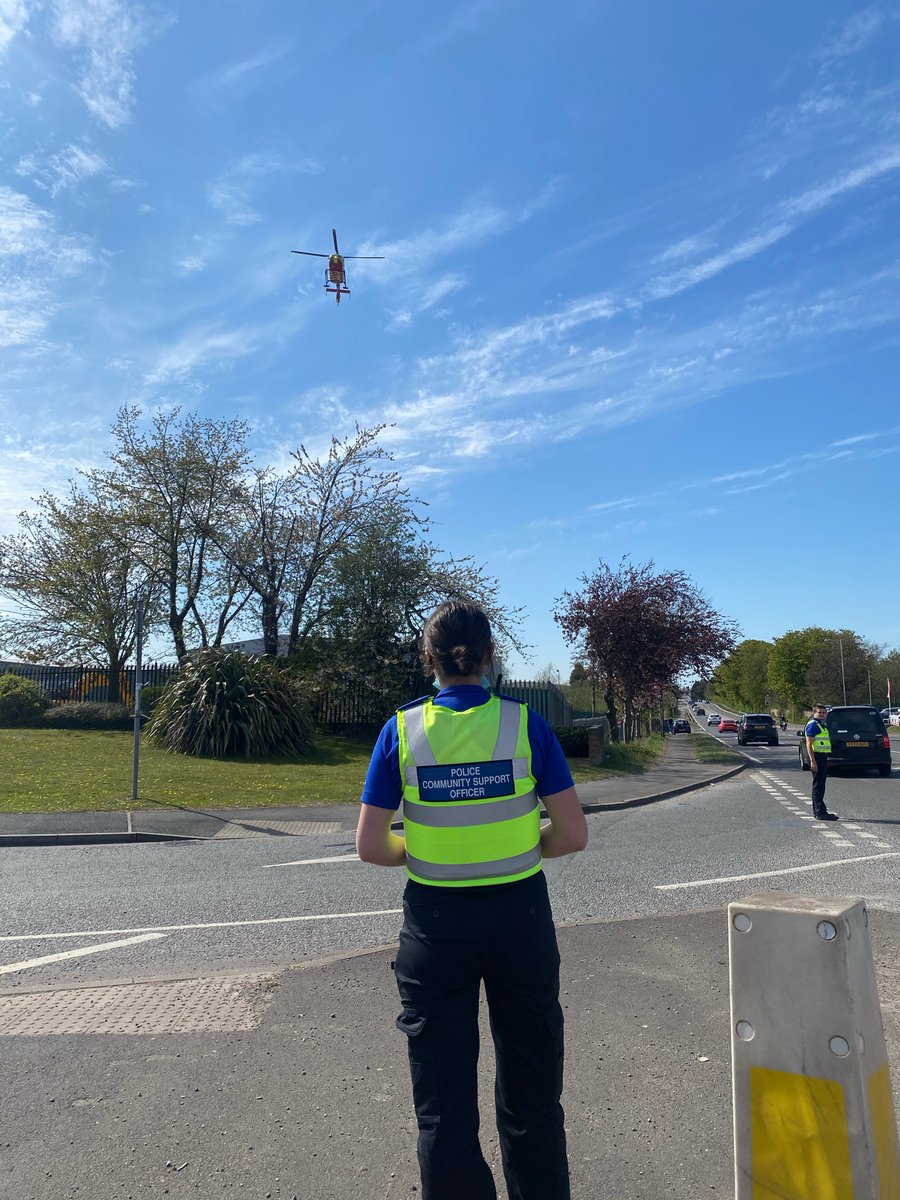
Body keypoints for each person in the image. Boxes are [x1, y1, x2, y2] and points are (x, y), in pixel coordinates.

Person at [356, 600, 588, 1200]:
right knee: (533, 1096)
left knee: (443, 1107)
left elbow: (371, 846)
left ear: (427, 659)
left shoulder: (401, 730)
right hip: (521, 920)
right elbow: (571, 835)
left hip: (435, 929)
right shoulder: (525, 725)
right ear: (490, 657)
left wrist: (428, 851)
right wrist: (520, 846)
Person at [805, 703, 838, 821]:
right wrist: (812, 761)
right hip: (816, 757)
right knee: (818, 785)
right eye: (819, 712)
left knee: (820, 784)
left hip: (822, 756)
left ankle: (820, 810)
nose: (822, 714)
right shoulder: (813, 725)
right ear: (814, 713)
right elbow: (809, 744)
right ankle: (819, 812)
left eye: (823, 712)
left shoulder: (821, 725)